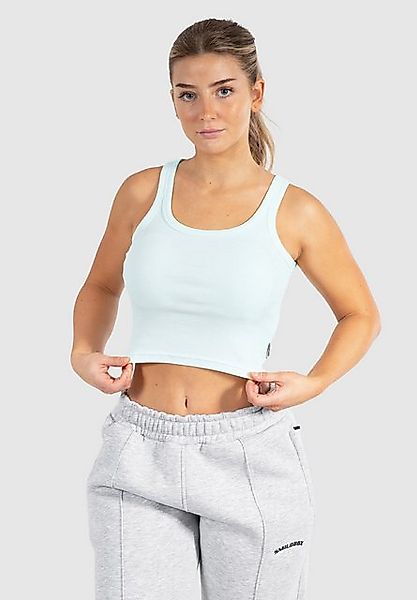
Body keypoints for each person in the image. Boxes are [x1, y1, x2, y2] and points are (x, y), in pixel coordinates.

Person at [70, 17, 381, 600]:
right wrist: (84, 352)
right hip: (138, 451)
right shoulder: (141, 192)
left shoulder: (296, 210)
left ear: (256, 93)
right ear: (172, 100)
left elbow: (360, 314)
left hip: (249, 456)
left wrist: (314, 382)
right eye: (187, 94)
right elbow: (101, 286)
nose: (206, 111)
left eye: (224, 90)